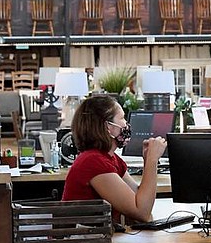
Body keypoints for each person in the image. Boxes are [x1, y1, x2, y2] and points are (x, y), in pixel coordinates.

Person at [62, 95, 167, 223]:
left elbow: (139, 198)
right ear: (108, 126)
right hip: (80, 240)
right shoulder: (93, 162)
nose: (126, 124)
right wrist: (152, 160)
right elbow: (141, 212)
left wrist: (147, 159)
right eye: (122, 118)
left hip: (96, 237)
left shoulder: (110, 158)